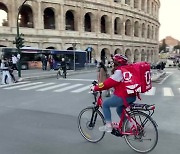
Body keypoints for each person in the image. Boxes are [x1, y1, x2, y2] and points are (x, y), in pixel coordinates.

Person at [91, 54, 136, 132]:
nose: (112, 64)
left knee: (105, 104)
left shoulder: (119, 72)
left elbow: (107, 84)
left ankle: (108, 126)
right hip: (132, 96)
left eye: (113, 62)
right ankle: (126, 126)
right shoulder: (127, 69)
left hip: (123, 96)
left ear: (117, 63)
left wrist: (95, 87)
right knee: (119, 109)